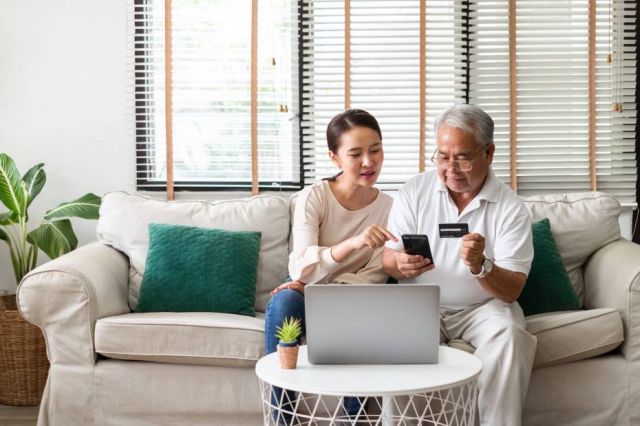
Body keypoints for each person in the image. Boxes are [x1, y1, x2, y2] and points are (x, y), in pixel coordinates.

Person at [382, 104, 536, 426]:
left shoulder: (510, 208)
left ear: (489, 152)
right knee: (397, 340)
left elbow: (512, 291)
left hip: (483, 307)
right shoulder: (413, 192)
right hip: (420, 302)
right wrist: (400, 264)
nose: (450, 168)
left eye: (462, 157)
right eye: (442, 156)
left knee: (510, 334)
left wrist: (482, 265)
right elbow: (387, 259)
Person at [264, 109, 396, 423]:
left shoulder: (391, 208)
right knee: (285, 300)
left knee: (360, 306)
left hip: (354, 294)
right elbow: (300, 266)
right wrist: (352, 243)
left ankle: (357, 419)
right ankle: (283, 417)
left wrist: (325, 291)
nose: (369, 162)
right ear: (334, 157)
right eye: (355, 154)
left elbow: (376, 274)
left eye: (375, 150)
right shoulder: (315, 197)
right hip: (305, 290)